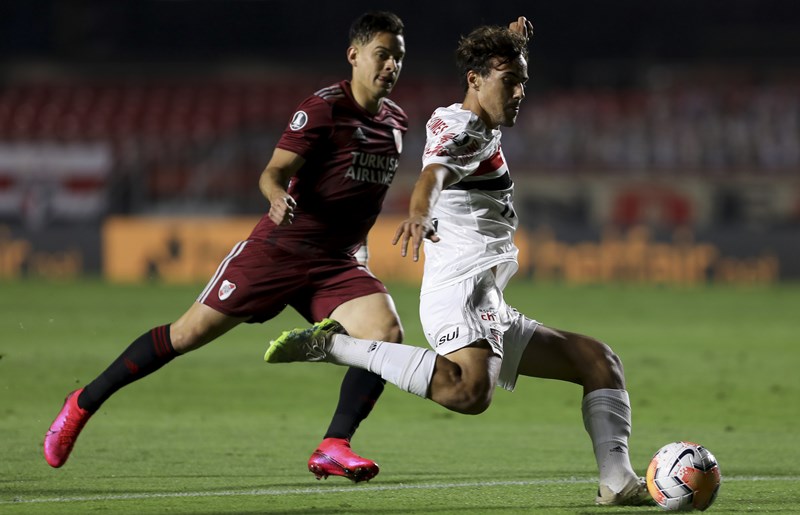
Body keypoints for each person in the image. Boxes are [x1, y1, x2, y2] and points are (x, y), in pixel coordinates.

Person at [264, 16, 651, 505]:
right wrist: (420, 214)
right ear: (475, 81)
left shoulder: (479, 125)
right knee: (470, 393)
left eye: (523, 82)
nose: (519, 93)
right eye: (509, 82)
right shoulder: (463, 127)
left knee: (599, 361)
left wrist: (511, 47)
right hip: (461, 291)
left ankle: (617, 483)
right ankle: (333, 348)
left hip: (486, 295)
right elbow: (434, 174)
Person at [44, 11, 408, 483]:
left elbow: (363, 200)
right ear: (354, 55)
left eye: (398, 57)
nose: (391, 66)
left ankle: (333, 445)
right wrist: (277, 196)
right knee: (186, 335)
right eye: (382, 55)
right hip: (279, 252)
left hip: (335, 263)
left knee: (385, 334)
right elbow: (272, 172)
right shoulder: (324, 108)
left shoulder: (396, 123)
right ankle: (81, 404)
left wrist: (360, 249)